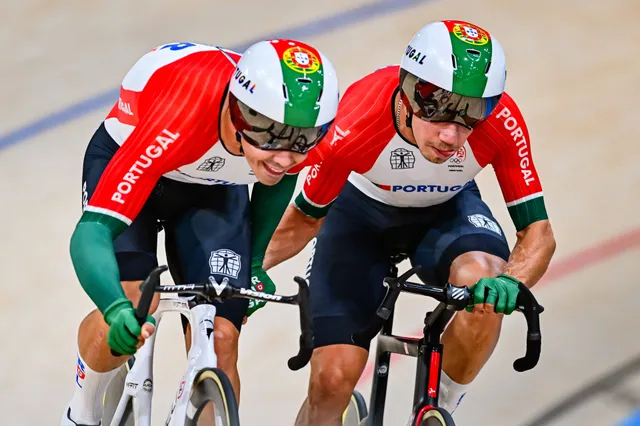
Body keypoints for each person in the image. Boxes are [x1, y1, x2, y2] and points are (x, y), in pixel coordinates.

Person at [262, 20, 557, 425]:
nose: (453, 136)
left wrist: (512, 280)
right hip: (358, 216)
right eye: (437, 109)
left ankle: (440, 411)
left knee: (486, 284)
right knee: (331, 382)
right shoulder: (356, 121)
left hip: (447, 211)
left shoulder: (501, 122)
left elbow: (538, 233)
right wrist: (247, 272)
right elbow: (303, 219)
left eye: (471, 113)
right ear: (408, 89)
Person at [60, 39, 338, 426]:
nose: (286, 157)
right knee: (136, 302)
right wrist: (115, 308)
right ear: (241, 116)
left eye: (302, 141)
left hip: (212, 186)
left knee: (221, 336)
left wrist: (253, 261)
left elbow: (279, 180)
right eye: (272, 138)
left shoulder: (292, 133)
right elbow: (91, 233)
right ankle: (82, 410)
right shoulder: (183, 113)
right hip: (143, 158)